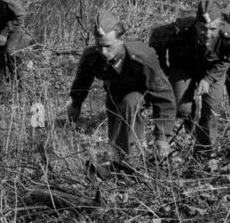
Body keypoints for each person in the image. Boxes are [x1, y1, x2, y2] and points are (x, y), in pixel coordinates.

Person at [68, 9, 176, 169]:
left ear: (120, 40)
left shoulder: (142, 57)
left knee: (130, 102)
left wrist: (162, 137)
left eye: (108, 46)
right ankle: (119, 161)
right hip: (114, 93)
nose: (103, 52)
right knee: (116, 132)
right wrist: (76, 104)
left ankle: (133, 161)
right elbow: (81, 82)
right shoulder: (91, 56)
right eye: (99, 46)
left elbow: (163, 95)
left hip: (142, 92)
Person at [148, 0, 230, 160]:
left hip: (213, 71)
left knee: (211, 109)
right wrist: (164, 70)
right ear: (196, 24)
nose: (207, 33)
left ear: (219, 26)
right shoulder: (180, 29)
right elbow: (157, 36)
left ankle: (204, 152)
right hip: (183, 68)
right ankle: (189, 128)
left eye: (212, 29)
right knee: (182, 108)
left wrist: (209, 78)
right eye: (202, 28)